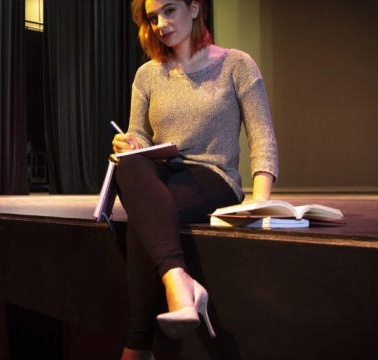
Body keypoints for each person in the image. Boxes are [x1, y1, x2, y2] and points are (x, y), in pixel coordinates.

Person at [112, 0, 279, 359]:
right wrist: (129, 142)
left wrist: (260, 198)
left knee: (148, 220)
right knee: (129, 165)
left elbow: (261, 135)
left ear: (194, 7)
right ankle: (178, 280)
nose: (161, 24)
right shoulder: (147, 75)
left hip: (212, 177)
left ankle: (137, 346)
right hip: (161, 174)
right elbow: (138, 135)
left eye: (169, 10)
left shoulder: (237, 64)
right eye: (154, 17)